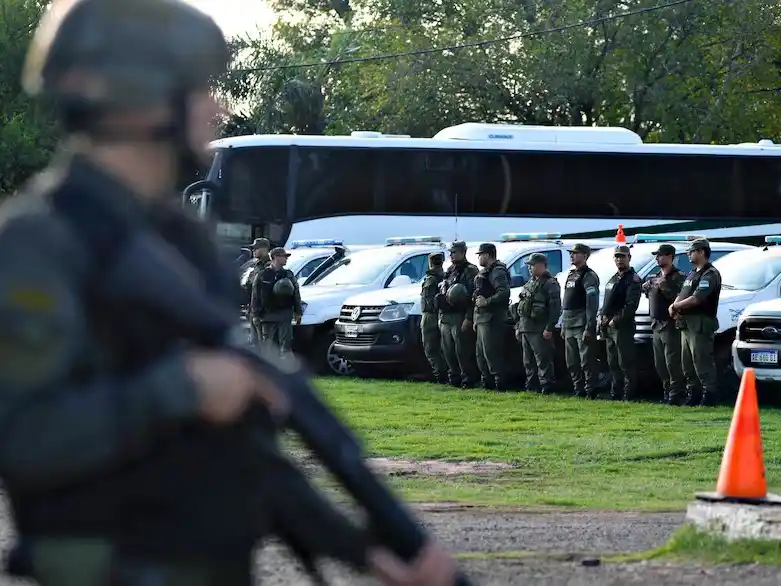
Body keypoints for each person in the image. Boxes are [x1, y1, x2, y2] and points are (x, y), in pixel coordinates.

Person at [0, 1, 458, 584]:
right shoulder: (38, 242)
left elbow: (243, 453)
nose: (217, 107)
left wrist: (365, 551)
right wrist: (178, 389)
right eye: (198, 88)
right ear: (137, 96)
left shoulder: (179, 240)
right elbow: (20, 440)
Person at [669, 238, 723, 407]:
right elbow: (683, 293)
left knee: (701, 361)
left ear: (701, 252)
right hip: (686, 323)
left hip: (700, 322)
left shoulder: (710, 274)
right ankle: (694, 394)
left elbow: (696, 298)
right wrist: (674, 306)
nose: (688, 254)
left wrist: (676, 305)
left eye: (691, 251)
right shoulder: (693, 273)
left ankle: (709, 395)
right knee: (687, 363)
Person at [642, 244, 686, 405]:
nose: (657, 258)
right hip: (656, 324)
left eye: (660, 255)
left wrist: (664, 286)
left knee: (672, 361)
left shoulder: (678, 276)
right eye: (657, 255)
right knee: (660, 363)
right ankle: (667, 391)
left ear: (670, 256)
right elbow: (651, 295)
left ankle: (676, 393)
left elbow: (680, 298)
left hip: (670, 324)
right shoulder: (655, 276)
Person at [599, 245, 642, 401]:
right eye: (617, 257)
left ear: (629, 258)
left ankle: (628, 394)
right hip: (608, 327)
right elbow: (607, 302)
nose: (619, 259)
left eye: (623, 256)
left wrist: (615, 319)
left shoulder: (633, 279)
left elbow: (631, 305)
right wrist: (602, 316)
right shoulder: (614, 278)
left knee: (625, 362)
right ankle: (615, 393)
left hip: (622, 326)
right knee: (613, 362)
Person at [514, 253, 562, 394]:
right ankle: (532, 385)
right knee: (528, 360)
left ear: (542, 265)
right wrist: (518, 327)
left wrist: (549, 328)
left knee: (543, 360)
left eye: (532, 265)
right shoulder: (530, 283)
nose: (530, 268)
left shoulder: (550, 283)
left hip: (539, 328)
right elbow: (522, 306)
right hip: (526, 327)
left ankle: (547, 386)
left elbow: (555, 308)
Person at [437, 241, 480, 388]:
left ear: (462, 252)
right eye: (451, 252)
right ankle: (454, 377)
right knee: (448, 349)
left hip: (459, 315)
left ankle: (468, 378)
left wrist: (468, 318)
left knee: (462, 350)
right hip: (446, 315)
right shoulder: (449, 270)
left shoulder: (470, 271)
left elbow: (473, 296)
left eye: (454, 252)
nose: (451, 255)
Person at [561, 244, 601, 399]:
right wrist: (564, 325)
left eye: (576, 253)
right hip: (569, 323)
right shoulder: (571, 275)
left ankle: (591, 389)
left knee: (586, 360)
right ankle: (578, 388)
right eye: (571, 253)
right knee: (571, 361)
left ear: (585, 256)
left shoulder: (588, 276)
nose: (572, 256)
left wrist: (589, 327)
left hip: (581, 323)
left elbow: (592, 303)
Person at [473, 243, 511, 391]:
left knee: (492, 353)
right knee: (481, 354)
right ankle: (487, 383)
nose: (479, 258)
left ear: (487, 255)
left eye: (480, 254)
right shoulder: (485, 272)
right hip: (482, 318)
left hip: (493, 318)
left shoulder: (497, 271)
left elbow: (504, 293)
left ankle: (499, 383)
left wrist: (487, 302)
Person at [253, 247, 302, 356]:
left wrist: (298, 312)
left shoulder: (288, 274)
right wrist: (255, 315)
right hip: (267, 315)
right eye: (283, 256)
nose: (286, 259)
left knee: (286, 346)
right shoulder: (262, 275)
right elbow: (256, 296)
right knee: (269, 348)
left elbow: (296, 294)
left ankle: (286, 370)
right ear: (274, 257)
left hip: (285, 314)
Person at [420, 252, 448, 384]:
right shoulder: (444, 277)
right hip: (441, 315)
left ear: (430, 263)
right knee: (442, 347)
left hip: (430, 316)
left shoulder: (431, 279)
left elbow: (428, 301)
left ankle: (439, 376)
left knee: (431, 348)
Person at [244, 237, 270, 344]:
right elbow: (250, 285)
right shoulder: (256, 265)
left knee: (263, 344)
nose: (253, 251)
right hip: (253, 309)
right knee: (254, 342)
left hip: (264, 311)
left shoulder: (269, 266)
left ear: (264, 249)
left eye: (256, 248)